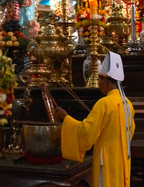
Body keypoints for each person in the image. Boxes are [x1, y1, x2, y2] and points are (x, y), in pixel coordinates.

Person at [55, 52, 135, 187]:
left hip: (106, 158)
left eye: (99, 79)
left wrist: (66, 118)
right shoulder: (127, 103)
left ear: (105, 80)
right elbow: (129, 132)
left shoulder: (104, 103)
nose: (98, 83)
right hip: (121, 157)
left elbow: (86, 131)